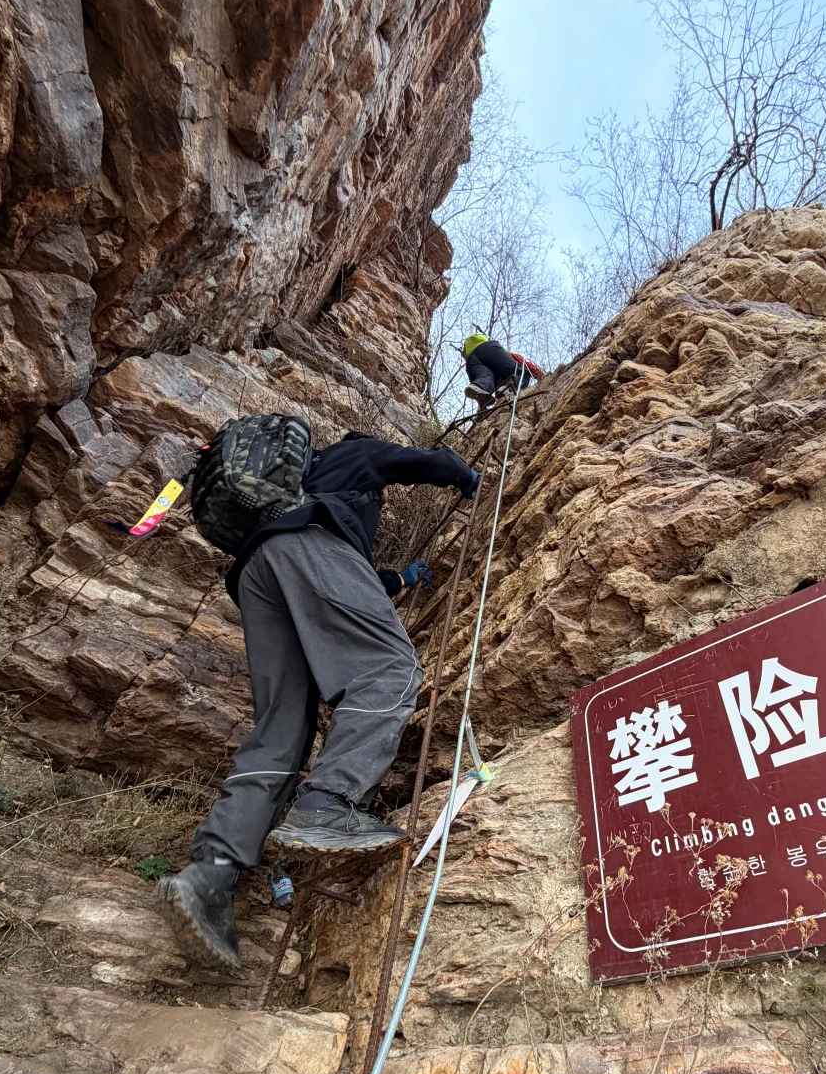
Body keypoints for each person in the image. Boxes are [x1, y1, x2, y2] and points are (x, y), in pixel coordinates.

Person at [158, 430, 479, 969]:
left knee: (280, 733)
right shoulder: (353, 453)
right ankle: (328, 805)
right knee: (390, 671)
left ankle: (208, 877)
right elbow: (414, 463)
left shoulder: (298, 486)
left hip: (260, 574)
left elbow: (336, 578)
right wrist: (463, 475)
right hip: (309, 548)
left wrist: (398, 579)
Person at [461, 333, 541, 406]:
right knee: (522, 372)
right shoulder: (509, 356)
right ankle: (507, 390)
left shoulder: (495, 377)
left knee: (486, 377)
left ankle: (477, 386)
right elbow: (526, 365)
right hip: (488, 348)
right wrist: (542, 376)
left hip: (471, 360)